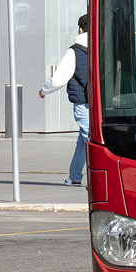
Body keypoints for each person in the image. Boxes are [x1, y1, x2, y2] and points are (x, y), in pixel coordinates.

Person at [40, 14, 90, 186]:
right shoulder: (104, 47)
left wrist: (44, 90)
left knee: (90, 139)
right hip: (102, 104)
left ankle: (98, 176)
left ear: (80, 29)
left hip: (84, 102)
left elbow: (59, 79)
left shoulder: (75, 51)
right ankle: (75, 176)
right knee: (84, 140)